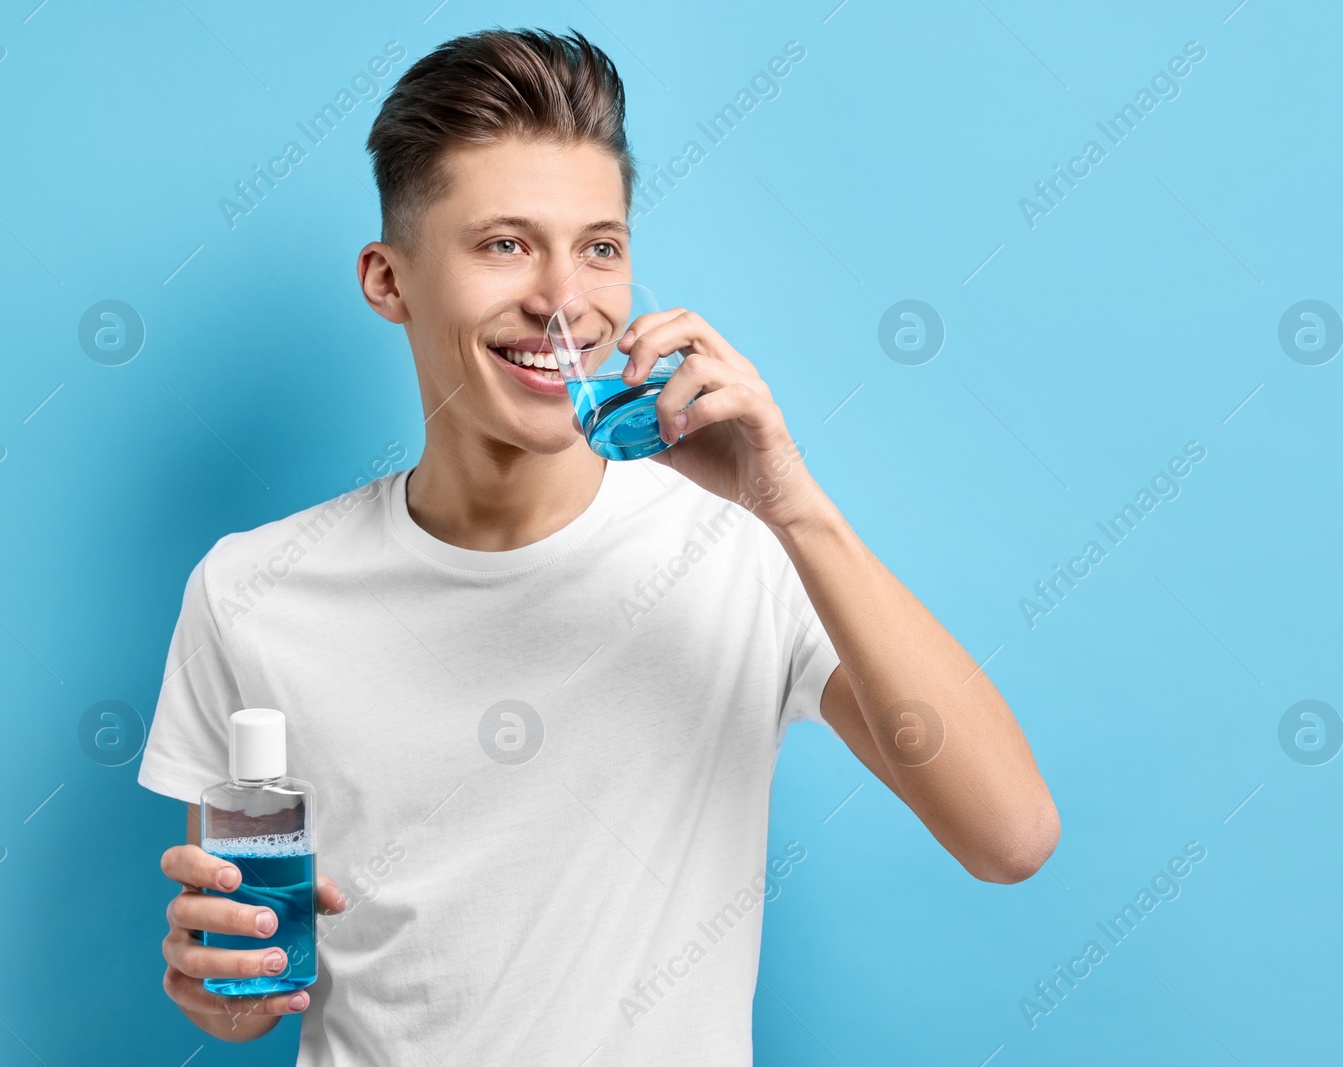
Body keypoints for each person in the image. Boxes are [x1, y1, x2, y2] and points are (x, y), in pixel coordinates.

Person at [141, 26, 1058, 1066]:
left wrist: (791, 503)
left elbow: (1009, 834)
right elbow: (246, 982)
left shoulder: (741, 550)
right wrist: (224, 989)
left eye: (599, 246)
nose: (562, 298)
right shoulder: (252, 590)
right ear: (388, 280)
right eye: (503, 244)